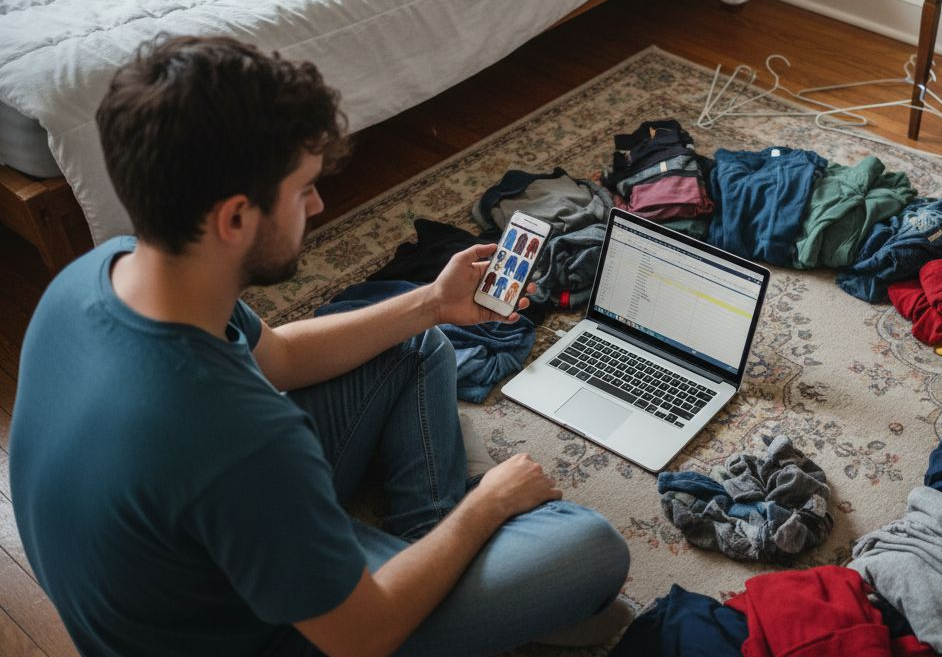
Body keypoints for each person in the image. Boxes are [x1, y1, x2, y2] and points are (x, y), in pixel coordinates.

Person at [9, 36, 631, 657]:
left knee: (420, 343)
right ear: (234, 219)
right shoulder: (242, 436)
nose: (319, 203)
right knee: (590, 549)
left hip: (198, 569)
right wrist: (487, 507)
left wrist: (432, 304)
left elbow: (278, 356)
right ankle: (447, 566)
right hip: (282, 635)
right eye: (303, 188)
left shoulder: (103, 272)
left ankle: (431, 551)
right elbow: (360, 637)